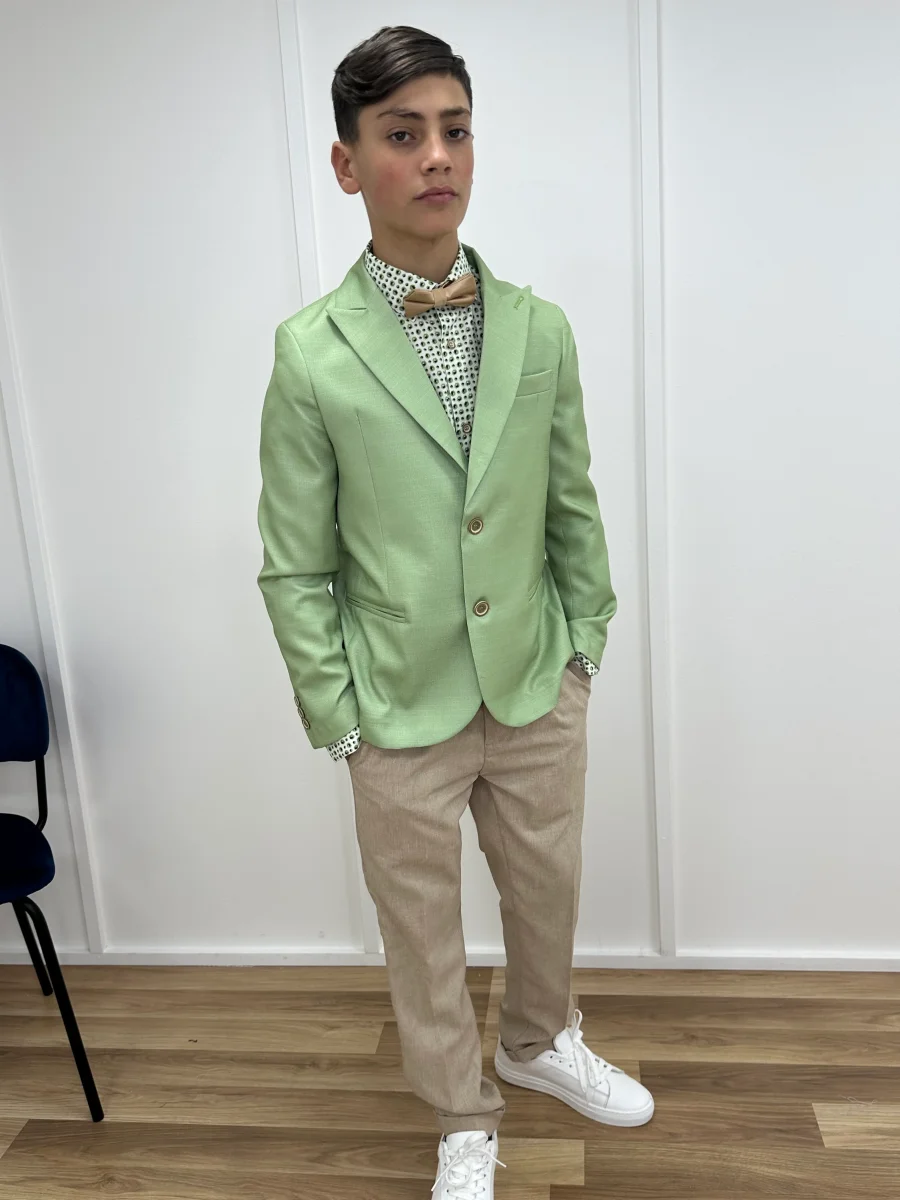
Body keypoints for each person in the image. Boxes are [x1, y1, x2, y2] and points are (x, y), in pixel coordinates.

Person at [256, 23, 654, 1199]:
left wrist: (585, 644)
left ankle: (539, 1042)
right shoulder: (311, 354)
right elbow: (294, 561)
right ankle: (461, 1115)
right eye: (402, 134)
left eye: (455, 130)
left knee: (548, 891)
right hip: (397, 705)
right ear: (348, 164)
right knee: (420, 929)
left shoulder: (539, 327)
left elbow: (571, 502)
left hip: (535, 678)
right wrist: (339, 715)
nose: (437, 156)